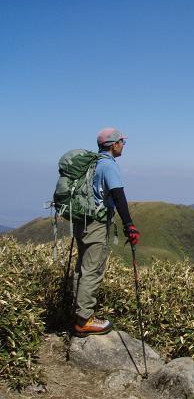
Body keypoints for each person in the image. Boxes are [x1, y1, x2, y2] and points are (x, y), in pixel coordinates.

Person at [72, 127, 141, 337]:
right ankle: (84, 320)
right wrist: (129, 225)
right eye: (122, 141)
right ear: (114, 145)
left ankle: (78, 313)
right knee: (93, 270)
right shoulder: (108, 166)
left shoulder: (92, 163)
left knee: (82, 268)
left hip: (82, 223)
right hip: (97, 225)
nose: (123, 145)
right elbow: (118, 196)